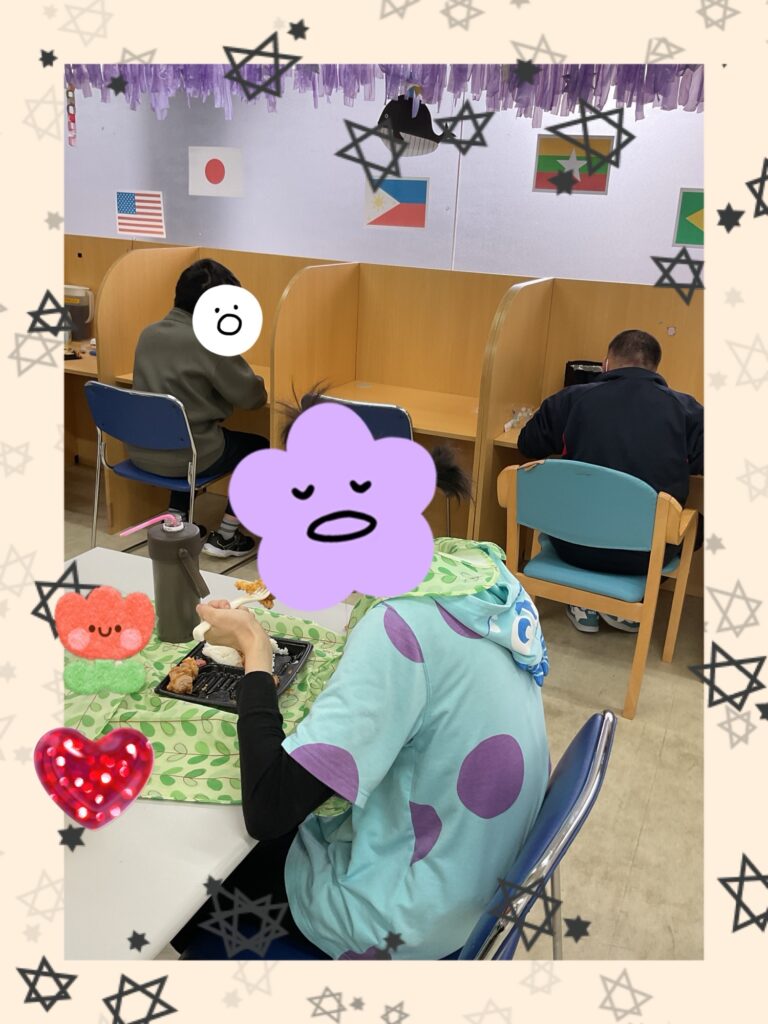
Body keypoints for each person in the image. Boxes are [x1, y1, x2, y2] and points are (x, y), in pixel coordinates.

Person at [171, 410, 550, 961]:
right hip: (476, 875)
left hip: (407, 915)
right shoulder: (473, 569)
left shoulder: (399, 628)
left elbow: (269, 809)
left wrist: (254, 649)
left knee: (189, 879)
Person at [518, 329, 704, 634]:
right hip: (646, 556)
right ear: (655, 368)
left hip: (573, 545)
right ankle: (625, 603)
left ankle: (584, 600)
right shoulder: (688, 411)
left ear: (605, 364)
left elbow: (528, 444)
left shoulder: (570, 399)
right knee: (697, 526)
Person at [126, 259, 268, 558]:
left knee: (179, 431)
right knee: (260, 449)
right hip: (188, 456)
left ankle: (177, 522)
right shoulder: (209, 341)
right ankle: (227, 536)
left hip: (140, 451)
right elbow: (252, 399)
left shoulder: (148, 333)